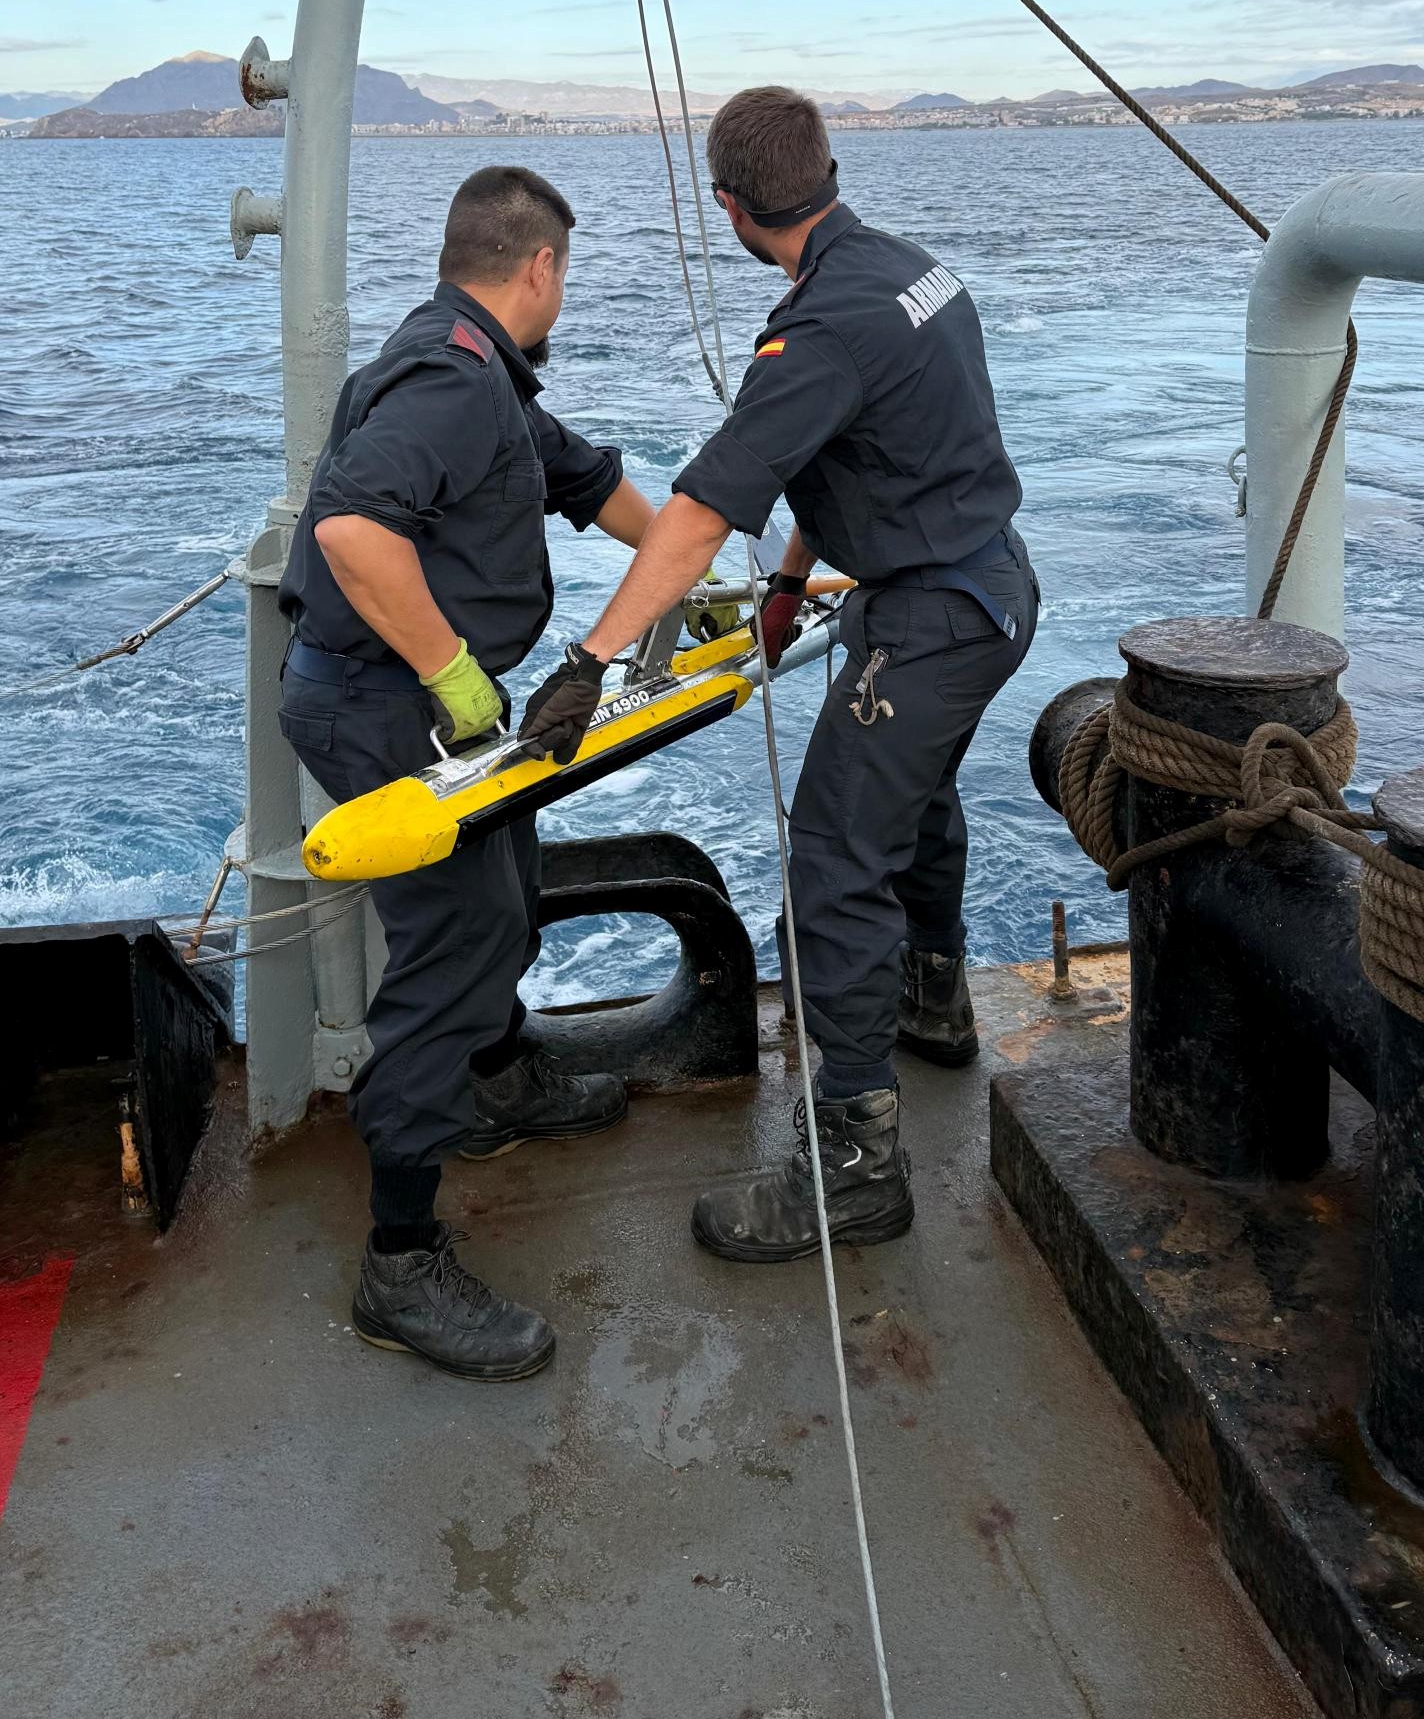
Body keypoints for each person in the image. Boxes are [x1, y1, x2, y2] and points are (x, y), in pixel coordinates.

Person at [521, 87, 1039, 1263]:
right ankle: (933, 997)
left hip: (935, 619)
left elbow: (701, 509)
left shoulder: (811, 338)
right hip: (995, 587)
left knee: (835, 862)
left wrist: (588, 662)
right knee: (919, 802)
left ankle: (856, 1168)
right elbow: (862, 451)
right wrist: (796, 579)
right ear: (832, 170)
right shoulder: (913, 271)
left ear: (728, 206)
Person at [278, 165, 659, 1378]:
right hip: (389, 707)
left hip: (435, 709)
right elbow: (351, 528)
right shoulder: (450, 379)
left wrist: (698, 563)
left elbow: (583, 479)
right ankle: (399, 1262)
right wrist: (452, 674)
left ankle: (495, 1081)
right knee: (450, 951)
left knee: (503, 890)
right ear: (539, 266)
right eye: (567, 270)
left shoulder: (472, 361)